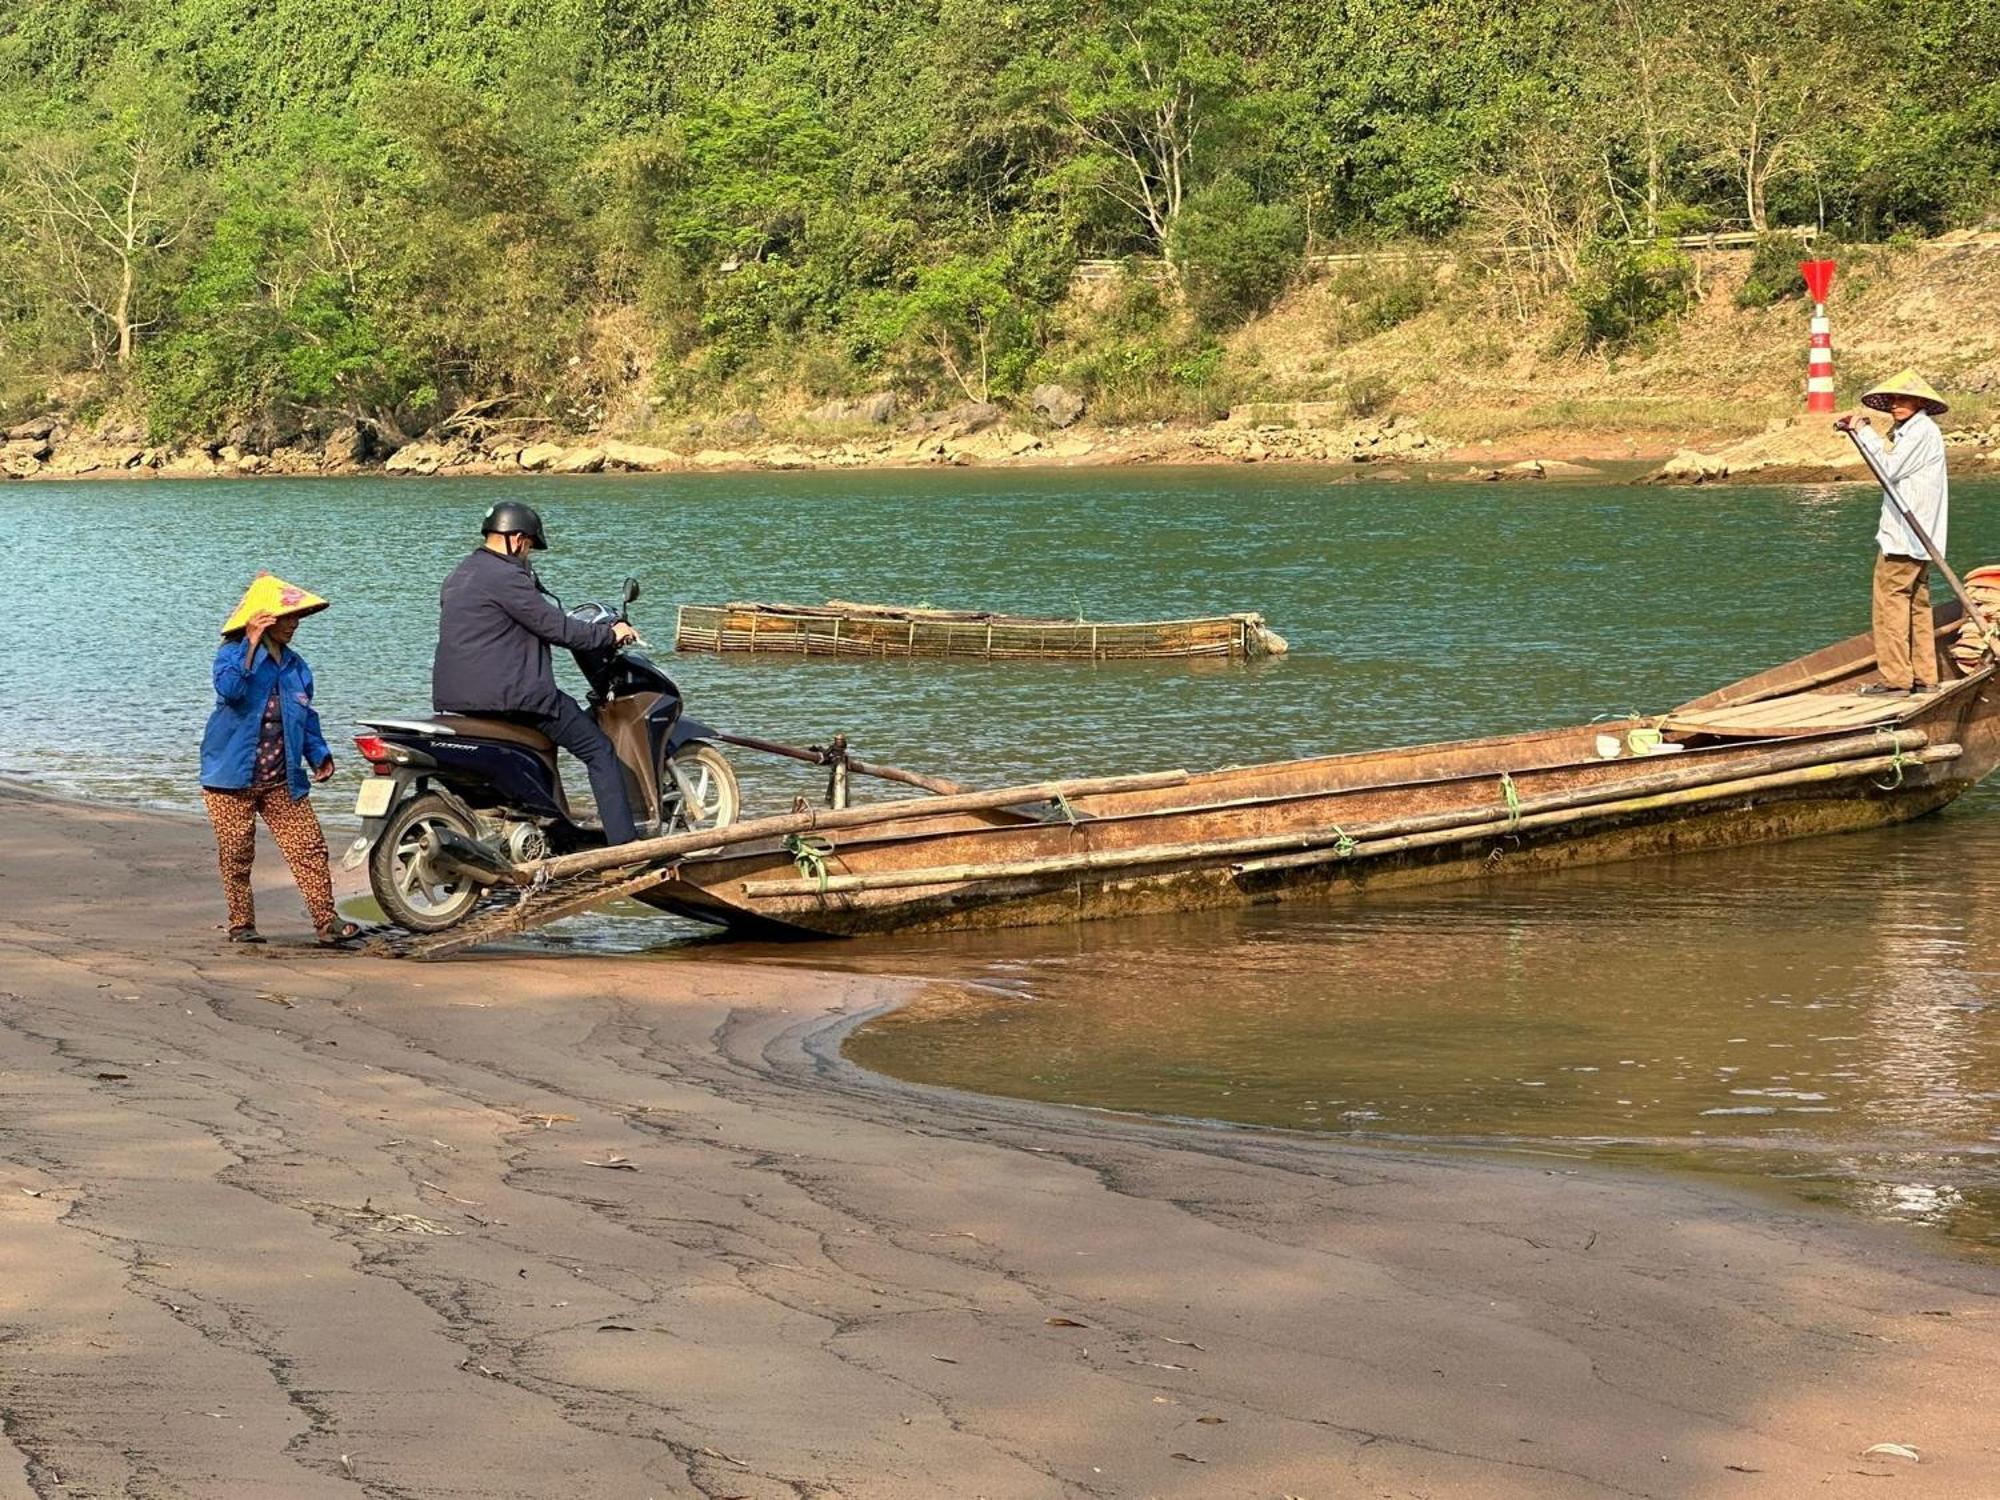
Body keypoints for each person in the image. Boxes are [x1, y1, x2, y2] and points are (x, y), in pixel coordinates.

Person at [432, 501, 642, 843]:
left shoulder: (461, 574)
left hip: (456, 697)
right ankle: (625, 845)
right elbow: (555, 628)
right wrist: (609, 633)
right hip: (512, 695)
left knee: (547, 742)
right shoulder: (507, 577)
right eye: (529, 545)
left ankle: (555, 830)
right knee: (598, 749)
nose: (528, 553)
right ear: (516, 539)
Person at [200, 573, 361, 946]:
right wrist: (251, 643)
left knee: (309, 847)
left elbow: (305, 717)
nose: (294, 625)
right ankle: (242, 924)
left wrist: (319, 754)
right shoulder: (230, 655)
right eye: (287, 618)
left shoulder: (296, 667)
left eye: (297, 618)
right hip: (229, 779)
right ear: (264, 620)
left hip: (281, 778)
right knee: (237, 852)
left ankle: (326, 921)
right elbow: (230, 690)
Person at [1837, 369, 1951, 698]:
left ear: (1919, 402)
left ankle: (1897, 680)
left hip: (1906, 537)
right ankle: (1925, 676)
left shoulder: (1919, 432)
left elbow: (1888, 468)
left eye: (1903, 399)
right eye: (1893, 400)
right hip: (1920, 538)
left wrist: (1862, 430)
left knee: (1890, 606)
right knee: (1916, 605)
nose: (1895, 406)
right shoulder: (1913, 432)